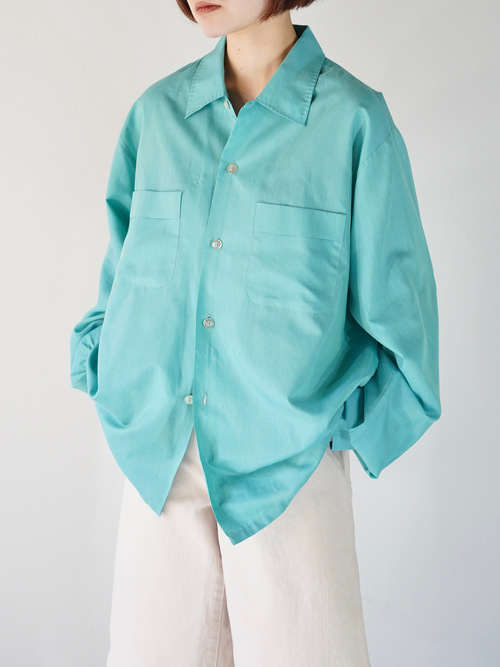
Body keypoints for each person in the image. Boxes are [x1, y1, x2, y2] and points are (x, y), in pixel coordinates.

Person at [69, 1, 442, 665]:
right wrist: (114, 382)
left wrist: (321, 427)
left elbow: (404, 328)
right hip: (161, 465)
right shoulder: (156, 117)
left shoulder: (354, 122)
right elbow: (119, 283)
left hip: (291, 476)